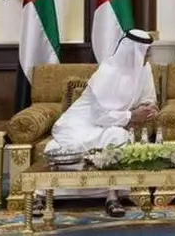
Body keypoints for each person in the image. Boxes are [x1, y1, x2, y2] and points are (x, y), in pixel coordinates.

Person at [35, 29, 158, 218]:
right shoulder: (107, 71)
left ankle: (111, 196)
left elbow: (148, 97)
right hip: (83, 122)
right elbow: (101, 116)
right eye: (145, 52)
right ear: (132, 52)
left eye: (148, 52)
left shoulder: (144, 69)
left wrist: (149, 108)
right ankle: (40, 195)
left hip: (111, 125)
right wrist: (132, 116)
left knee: (118, 136)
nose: (148, 56)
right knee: (63, 148)